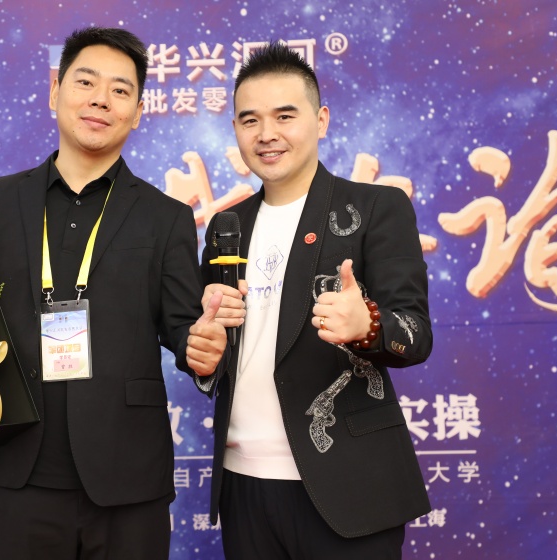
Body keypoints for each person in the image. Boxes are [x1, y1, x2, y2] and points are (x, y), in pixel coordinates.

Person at [0, 27, 226, 560]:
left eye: (120, 90)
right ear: (54, 92)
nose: (101, 99)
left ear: (138, 112)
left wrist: (201, 350)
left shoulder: (166, 217)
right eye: (85, 82)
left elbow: (183, 327)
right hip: (17, 473)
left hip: (128, 479)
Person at [198, 43, 433, 559]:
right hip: (243, 482)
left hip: (349, 481)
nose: (267, 134)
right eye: (250, 120)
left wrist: (368, 324)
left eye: (285, 116)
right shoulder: (227, 226)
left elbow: (416, 333)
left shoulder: (376, 207)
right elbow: (213, 339)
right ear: (235, 129)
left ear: (321, 120)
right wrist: (202, 352)